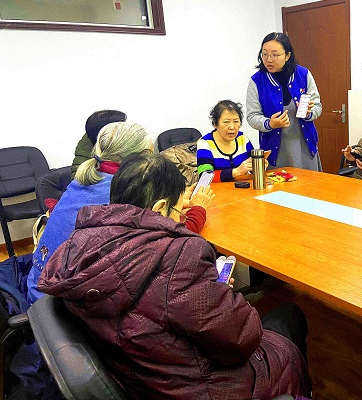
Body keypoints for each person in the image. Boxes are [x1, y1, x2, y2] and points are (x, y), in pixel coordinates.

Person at [37, 153, 313, 400]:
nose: (182, 219)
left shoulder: (80, 245)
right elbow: (242, 339)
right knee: (290, 316)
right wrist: (221, 293)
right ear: (159, 209)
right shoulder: (178, 259)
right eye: (180, 210)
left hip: (143, 379)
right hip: (206, 387)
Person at [27, 122, 215, 303]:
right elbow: (172, 239)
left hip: (40, 287)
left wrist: (175, 202)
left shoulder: (87, 178)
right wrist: (198, 208)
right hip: (61, 303)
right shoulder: (124, 191)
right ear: (138, 159)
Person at [246, 32, 322, 171]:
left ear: (287, 55)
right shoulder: (256, 81)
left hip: (304, 146)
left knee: (309, 183)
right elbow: (252, 116)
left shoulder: (303, 74)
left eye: (275, 55)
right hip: (275, 150)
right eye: (264, 54)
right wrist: (269, 123)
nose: (269, 59)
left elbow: (317, 106)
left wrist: (309, 113)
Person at [197, 100, 255, 182]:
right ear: (215, 124)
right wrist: (236, 172)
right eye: (226, 122)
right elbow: (204, 178)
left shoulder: (242, 138)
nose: (232, 127)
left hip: (243, 187)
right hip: (217, 189)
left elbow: (251, 166)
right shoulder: (205, 143)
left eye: (236, 121)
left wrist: (259, 166)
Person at [70, 109, 127, 179]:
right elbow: (78, 179)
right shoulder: (86, 150)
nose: (126, 130)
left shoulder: (128, 140)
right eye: (122, 127)